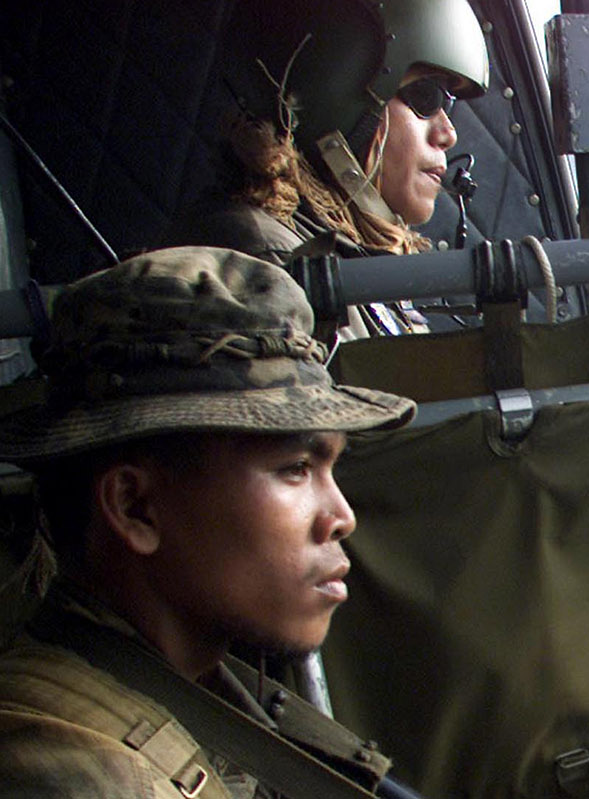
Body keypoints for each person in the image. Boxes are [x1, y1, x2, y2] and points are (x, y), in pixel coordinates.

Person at [0, 246, 416, 797]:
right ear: (135, 508)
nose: (341, 517)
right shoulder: (69, 770)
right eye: (295, 469)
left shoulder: (200, 687)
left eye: (330, 468)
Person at [168, 0, 491, 335]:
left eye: (448, 106)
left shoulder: (352, 260)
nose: (448, 134)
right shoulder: (271, 266)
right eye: (426, 97)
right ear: (334, 88)